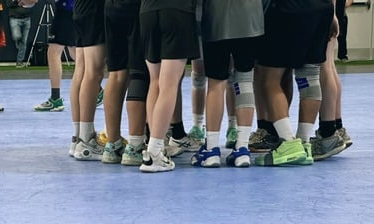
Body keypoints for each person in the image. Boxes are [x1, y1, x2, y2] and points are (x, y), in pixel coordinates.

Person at [253, 0, 336, 166]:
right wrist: (333, 14)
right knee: (310, 78)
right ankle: (304, 143)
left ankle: (289, 143)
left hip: (288, 9)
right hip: (322, 8)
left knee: (269, 80)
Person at [192, 0, 264, 168]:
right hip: (249, 19)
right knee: (245, 81)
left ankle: (211, 149)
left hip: (216, 19)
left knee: (216, 84)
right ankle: (243, 148)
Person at [138, 0, 199, 173]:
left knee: (155, 81)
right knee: (169, 84)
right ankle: (155, 151)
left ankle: (153, 146)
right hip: (177, 11)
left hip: (147, 12)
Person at [101, 0, 141, 164]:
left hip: (111, 7)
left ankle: (113, 143)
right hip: (136, 8)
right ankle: (135, 146)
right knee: (139, 75)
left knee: (116, 74)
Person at [70, 0, 106, 160]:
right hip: (93, 11)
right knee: (94, 72)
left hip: (81, 9)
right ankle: (86, 140)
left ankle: (78, 138)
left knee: (82, 70)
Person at [33, 0, 76, 113]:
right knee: (74, 51)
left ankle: (55, 98)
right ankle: (96, 89)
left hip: (66, 9)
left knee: (54, 52)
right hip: (73, 9)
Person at [7, 0, 37, 68]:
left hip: (27, 18)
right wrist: (18, 2)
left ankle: (19, 62)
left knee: (24, 42)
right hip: (15, 18)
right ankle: (18, 42)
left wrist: (26, 2)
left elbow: (34, 1)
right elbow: (9, 4)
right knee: (17, 36)